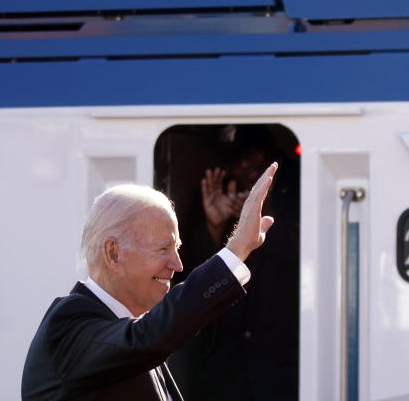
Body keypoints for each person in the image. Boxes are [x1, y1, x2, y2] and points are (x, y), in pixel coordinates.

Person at [21, 162, 279, 400]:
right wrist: (237, 249)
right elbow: (149, 336)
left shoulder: (135, 333)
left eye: (176, 248)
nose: (177, 264)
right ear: (114, 253)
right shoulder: (67, 325)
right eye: (163, 248)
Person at [168, 127, 299, 401]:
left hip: (280, 370)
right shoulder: (212, 201)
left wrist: (263, 213)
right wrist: (214, 227)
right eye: (240, 160)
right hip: (223, 374)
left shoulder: (296, 197)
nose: (248, 167)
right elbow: (186, 281)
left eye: (255, 157)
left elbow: (299, 260)